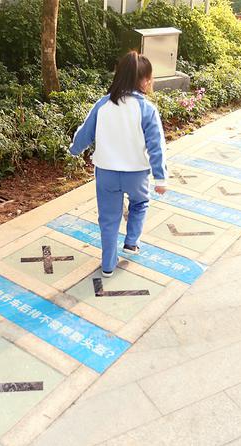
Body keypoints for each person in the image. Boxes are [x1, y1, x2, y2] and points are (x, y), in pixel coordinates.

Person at [69, 51, 168, 278]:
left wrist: (74, 150)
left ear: (119, 75)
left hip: (106, 173)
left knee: (108, 219)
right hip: (136, 173)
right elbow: (156, 146)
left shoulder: (103, 104)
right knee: (140, 203)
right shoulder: (147, 109)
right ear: (144, 81)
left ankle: (107, 264)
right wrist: (161, 178)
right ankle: (131, 242)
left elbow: (85, 133)